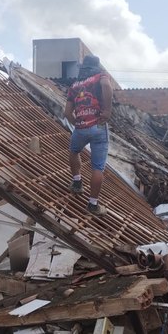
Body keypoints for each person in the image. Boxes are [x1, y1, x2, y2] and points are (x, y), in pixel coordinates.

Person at [64, 55, 113, 216]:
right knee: (97, 167)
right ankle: (93, 205)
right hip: (98, 126)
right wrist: (107, 110)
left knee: (74, 151)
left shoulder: (74, 86)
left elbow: (67, 112)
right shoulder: (100, 76)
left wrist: (76, 123)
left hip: (81, 127)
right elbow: (106, 85)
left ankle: (77, 182)